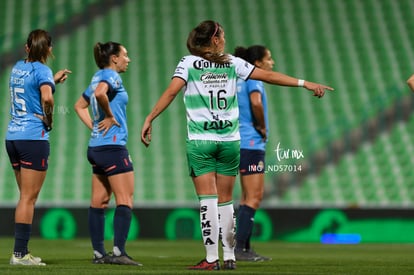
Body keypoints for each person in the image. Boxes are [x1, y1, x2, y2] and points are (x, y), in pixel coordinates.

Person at [140, 20, 333, 271]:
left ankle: (211, 259)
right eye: (223, 35)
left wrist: (150, 117)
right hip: (230, 142)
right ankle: (230, 256)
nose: (226, 38)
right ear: (216, 39)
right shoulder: (232, 63)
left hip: (201, 141)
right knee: (227, 201)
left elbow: (171, 93)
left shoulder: (187, 63)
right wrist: (304, 83)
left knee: (207, 200)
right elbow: (269, 76)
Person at [6, 29, 71, 266]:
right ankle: (20, 255)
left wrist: (52, 80)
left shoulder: (17, 67)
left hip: (12, 137)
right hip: (33, 137)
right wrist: (50, 119)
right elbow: (47, 99)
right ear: (49, 49)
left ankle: (21, 252)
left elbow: (32, 89)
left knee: (24, 197)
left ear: (26, 48)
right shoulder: (42, 70)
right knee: (28, 198)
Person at [74, 41, 141, 266]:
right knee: (126, 199)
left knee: (99, 202)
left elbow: (78, 106)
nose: (128, 59)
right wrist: (110, 117)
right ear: (114, 58)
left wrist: (94, 127)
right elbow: (102, 94)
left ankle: (98, 253)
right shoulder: (112, 77)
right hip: (113, 148)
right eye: (125, 55)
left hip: (96, 148)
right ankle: (119, 252)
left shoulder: (96, 77)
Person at [233, 45, 275, 261]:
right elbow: (256, 102)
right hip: (251, 143)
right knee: (255, 196)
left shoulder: (237, 79)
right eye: (269, 59)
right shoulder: (253, 79)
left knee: (245, 197)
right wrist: (262, 127)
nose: (272, 63)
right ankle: (240, 249)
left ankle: (245, 248)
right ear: (257, 63)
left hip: (239, 142)